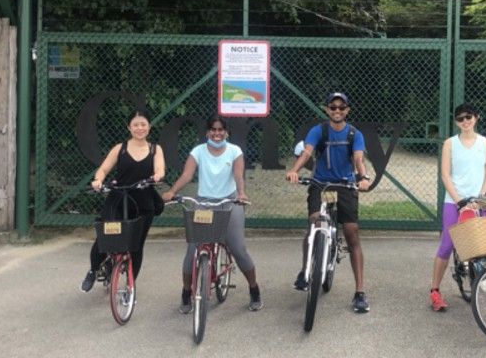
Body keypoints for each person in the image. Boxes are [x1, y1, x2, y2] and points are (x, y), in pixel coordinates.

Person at [162, 115, 262, 312]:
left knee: (238, 249)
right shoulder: (198, 151)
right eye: (213, 130)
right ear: (207, 132)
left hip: (229, 201)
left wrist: (241, 193)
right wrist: (172, 192)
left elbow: (238, 175)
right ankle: (185, 292)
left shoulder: (235, 151)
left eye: (220, 130)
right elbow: (187, 175)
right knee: (192, 250)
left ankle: (254, 289)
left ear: (226, 132)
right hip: (204, 204)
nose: (217, 134)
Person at [285, 92, 373, 313]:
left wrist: (363, 178)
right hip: (320, 183)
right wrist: (294, 171)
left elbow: (359, 159)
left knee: (352, 233)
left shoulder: (354, 134)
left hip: (345, 184)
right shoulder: (319, 131)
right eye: (332, 107)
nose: (337, 111)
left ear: (347, 110)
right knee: (314, 223)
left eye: (341, 107)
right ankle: (306, 271)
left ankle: (360, 292)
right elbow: (306, 152)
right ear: (326, 110)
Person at [429, 103, 486, 312]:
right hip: (455, 200)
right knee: (448, 244)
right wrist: (459, 200)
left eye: (468, 117)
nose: (465, 122)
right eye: (460, 118)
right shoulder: (450, 144)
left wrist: (481, 196)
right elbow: (445, 175)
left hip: (481, 199)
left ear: (476, 118)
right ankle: (434, 291)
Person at [81, 109, 165, 292]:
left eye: (143, 124)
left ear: (149, 126)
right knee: (106, 236)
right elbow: (103, 169)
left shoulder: (155, 149)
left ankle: (130, 285)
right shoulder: (120, 148)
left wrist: (157, 176)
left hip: (144, 201)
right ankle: (94, 269)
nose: (140, 128)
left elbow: (160, 170)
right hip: (119, 198)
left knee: (136, 244)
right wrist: (98, 180)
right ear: (129, 127)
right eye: (135, 125)